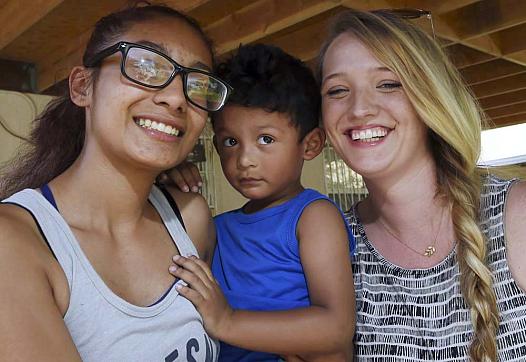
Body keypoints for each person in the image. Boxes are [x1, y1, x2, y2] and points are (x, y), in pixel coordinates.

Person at [0, 5, 232, 361]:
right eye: (146, 66)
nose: (176, 97)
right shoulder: (16, 244)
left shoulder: (190, 219)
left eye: (197, 85)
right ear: (82, 87)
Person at [317, 8, 526, 362]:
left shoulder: (514, 214)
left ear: (429, 97)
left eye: (387, 83)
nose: (359, 109)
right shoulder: (333, 245)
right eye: (337, 90)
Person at [168, 44, 355, 361]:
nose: (244, 160)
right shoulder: (217, 227)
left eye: (265, 139)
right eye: (231, 141)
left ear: (310, 145)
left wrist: (227, 321)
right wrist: (165, 183)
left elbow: (336, 327)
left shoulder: (312, 216)